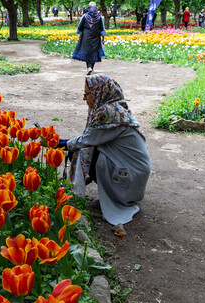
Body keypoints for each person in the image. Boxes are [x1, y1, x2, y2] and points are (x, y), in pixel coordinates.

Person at [59, 74, 151, 225]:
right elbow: (90, 138)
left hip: (130, 176)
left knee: (82, 152)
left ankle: (113, 198)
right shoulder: (115, 107)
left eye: (86, 94)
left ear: (97, 93)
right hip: (135, 173)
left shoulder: (108, 112)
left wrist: (59, 144)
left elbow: (86, 140)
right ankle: (112, 195)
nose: (84, 98)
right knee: (86, 150)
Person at [72, 1, 107, 75]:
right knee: (94, 52)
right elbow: (102, 29)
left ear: (88, 8)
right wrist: (103, 39)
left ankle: (89, 67)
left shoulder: (85, 16)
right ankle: (91, 68)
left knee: (87, 52)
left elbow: (80, 27)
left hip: (86, 37)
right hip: (96, 38)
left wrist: (80, 36)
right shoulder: (99, 17)